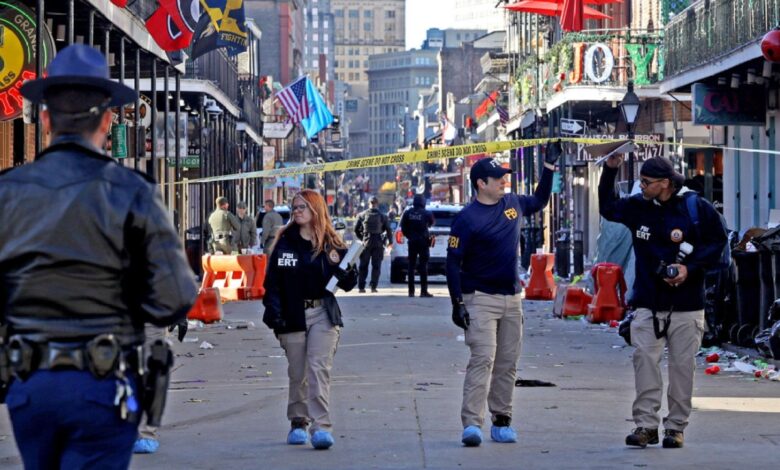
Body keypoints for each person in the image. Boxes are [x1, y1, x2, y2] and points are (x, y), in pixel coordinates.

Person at [0, 44, 197, 468]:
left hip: (30, 382)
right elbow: (176, 296)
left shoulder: (7, 191)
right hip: (102, 381)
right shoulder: (133, 191)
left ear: (46, 119)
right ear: (108, 120)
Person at [599, 155, 727, 449]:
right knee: (644, 361)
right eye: (640, 181)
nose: (641, 186)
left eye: (647, 182)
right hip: (647, 301)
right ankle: (645, 425)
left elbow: (718, 242)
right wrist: (610, 170)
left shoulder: (695, 207)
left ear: (666, 183)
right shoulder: (638, 206)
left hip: (687, 304)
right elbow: (607, 208)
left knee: (683, 368)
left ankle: (675, 427)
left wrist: (689, 268)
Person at [446, 146, 558, 447]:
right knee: (483, 358)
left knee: (507, 362)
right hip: (480, 298)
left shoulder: (512, 203)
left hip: (512, 298)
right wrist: (457, 303)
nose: (503, 182)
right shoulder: (467, 219)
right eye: (497, 178)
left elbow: (540, 200)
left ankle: (502, 420)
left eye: (503, 177)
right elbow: (452, 263)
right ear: (481, 183)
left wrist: (548, 166)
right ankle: (472, 423)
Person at [262, 189, 358, 450]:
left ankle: (321, 427)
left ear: (316, 209)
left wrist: (347, 271)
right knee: (298, 372)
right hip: (292, 314)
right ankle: (298, 421)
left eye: (302, 207)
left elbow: (348, 282)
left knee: (318, 369)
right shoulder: (285, 242)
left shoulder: (331, 244)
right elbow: (272, 284)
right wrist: (274, 314)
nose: (297, 211)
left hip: (322, 314)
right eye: (294, 207)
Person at [354, 196, 392, 293]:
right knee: (376, 266)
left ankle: (361, 287)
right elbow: (388, 230)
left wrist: (362, 238)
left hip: (366, 243)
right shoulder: (383, 216)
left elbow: (356, 229)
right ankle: (373, 286)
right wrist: (390, 242)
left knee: (363, 266)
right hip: (378, 243)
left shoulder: (362, 215)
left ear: (369, 203)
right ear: (377, 204)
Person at [400, 194, 435, 297]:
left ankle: (411, 292)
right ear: (423, 202)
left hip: (412, 242)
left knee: (411, 266)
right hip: (423, 242)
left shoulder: (407, 213)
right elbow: (432, 222)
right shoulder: (426, 213)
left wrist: (409, 236)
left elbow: (403, 227)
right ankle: (423, 291)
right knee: (423, 266)